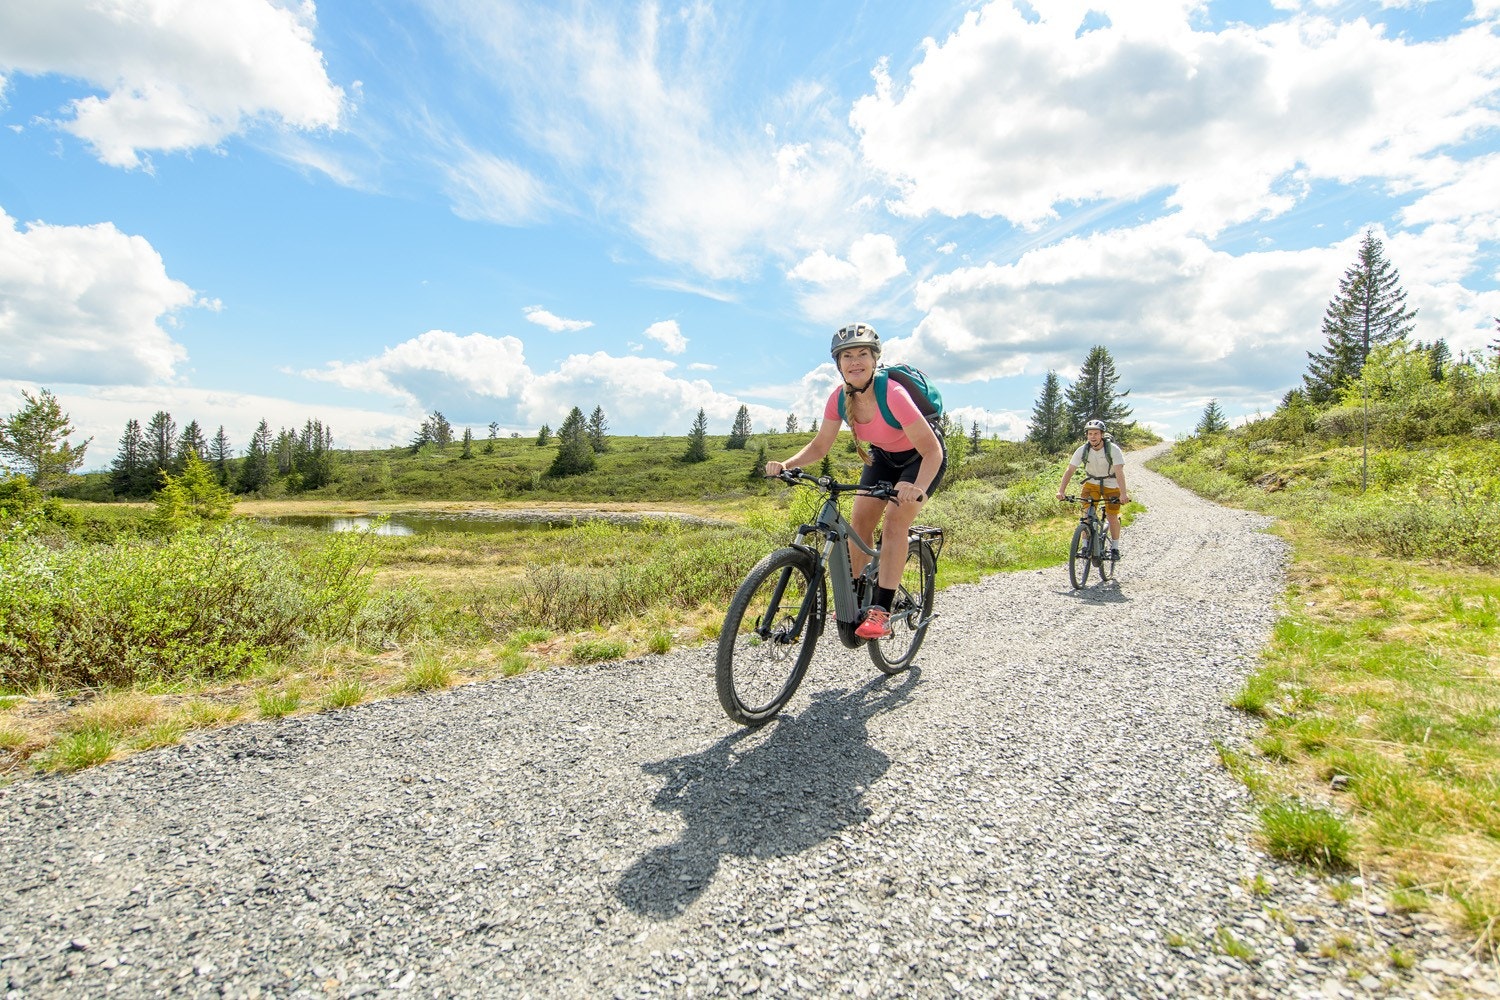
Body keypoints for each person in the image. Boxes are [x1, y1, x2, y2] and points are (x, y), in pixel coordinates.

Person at [765, 323, 947, 639]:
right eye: (847, 356)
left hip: (920, 460)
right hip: (883, 458)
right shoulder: (838, 398)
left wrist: (916, 488)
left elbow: (932, 451)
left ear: (875, 360)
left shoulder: (893, 394)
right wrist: (786, 464)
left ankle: (881, 610)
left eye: (863, 354)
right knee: (859, 523)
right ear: (838, 364)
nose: (855, 361)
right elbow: (821, 445)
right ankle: (859, 595)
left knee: (894, 524)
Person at [1057, 419, 1130, 559]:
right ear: (1087, 435)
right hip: (1091, 484)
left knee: (1112, 516)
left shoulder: (1113, 450)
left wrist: (1123, 493)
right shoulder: (1083, 450)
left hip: (1111, 484)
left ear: (1102, 434)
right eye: (1090, 433)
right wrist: (1061, 491)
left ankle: (1114, 548)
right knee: (1086, 517)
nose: (1093, 436)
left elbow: (1119, 472)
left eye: (1096, 433)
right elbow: (1070, 470)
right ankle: (1085, 546)